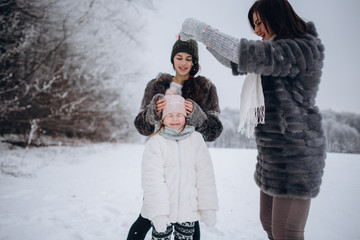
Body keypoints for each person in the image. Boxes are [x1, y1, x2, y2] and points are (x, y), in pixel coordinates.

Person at [179, 0, 326, 239]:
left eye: (259, 22)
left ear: (277, 16)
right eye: (253, 24)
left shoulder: (301, 49)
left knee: (286, 232)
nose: (256, 30)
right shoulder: (274, 52)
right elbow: (235, 60)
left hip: (296, 154)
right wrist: (204, 41)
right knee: (268, 225)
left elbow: (244, 53)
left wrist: (201, 29)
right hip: (272, 155)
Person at [127, 38, 223, 240]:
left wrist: (198, 116)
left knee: (189, 220)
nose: (183, 62)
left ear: (194, 62)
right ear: (173, 59)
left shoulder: (205, 88)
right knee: (149, 213)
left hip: (189, 165)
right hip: (162, 162)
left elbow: (214, 132)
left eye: (189, 58)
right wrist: (152, 112)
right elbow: (141, 126)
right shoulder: (156, 86)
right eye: (179, 57)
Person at [140, 91, 219, 240]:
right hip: (164, 210)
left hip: (188, 209)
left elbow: (205, 175)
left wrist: (208, 207)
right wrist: (158, 212)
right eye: (170, 115)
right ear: (162, 119)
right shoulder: (156, 142)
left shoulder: (196, 140)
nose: (175, 119)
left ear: (186, 117)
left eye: (179, 115)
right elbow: (152, 180)